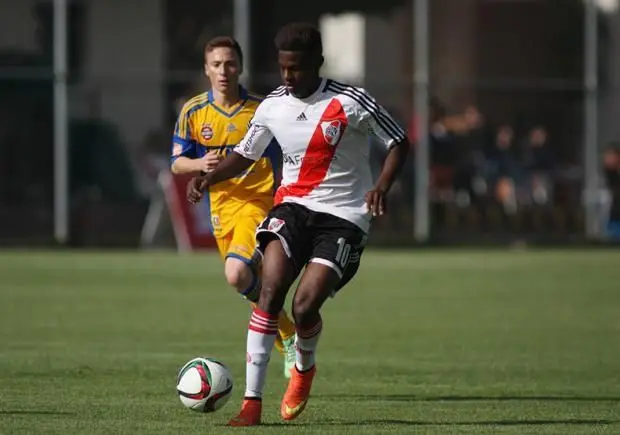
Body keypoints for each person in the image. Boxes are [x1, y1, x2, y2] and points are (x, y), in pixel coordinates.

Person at [187, 23, 409, 426]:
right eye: (283, 68)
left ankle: (304, 370)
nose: (289, 77)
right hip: (291, 210)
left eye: (297, 69)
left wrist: (381, 187)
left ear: (317, 63)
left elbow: (399, 141)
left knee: (304, 307)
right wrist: (208, 178)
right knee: (270, 291)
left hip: (342, 219)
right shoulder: (273, 104)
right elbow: (245, 154)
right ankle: (251, 405)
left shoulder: (351, 100)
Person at [170, 36, 296, 377]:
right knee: (245, 281)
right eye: (216, 64)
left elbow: (290, 152)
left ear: (240, 67)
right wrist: (199, 166)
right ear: (206, 70)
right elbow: (177, 163)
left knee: (236, 273)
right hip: (220, 210)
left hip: (258, 204)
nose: (223, 71)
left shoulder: (261, 110)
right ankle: (287, 332)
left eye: (230, 63)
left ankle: (286, 335)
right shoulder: (194, 112)